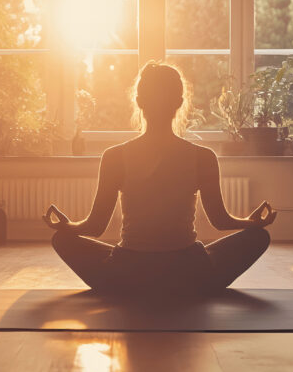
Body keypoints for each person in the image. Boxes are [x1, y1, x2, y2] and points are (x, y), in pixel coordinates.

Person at [44, 61, 277, 297]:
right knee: (258, 237)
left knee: (62, 240)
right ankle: (186, 287)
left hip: (127, 271)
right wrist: (252, 223)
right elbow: (220, 221)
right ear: (179, 102)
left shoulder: (114, 157)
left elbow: (94, 227)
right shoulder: (203, 157)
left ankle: (132, 288)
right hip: (189, 271)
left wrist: (66, 227)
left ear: (139, 101)